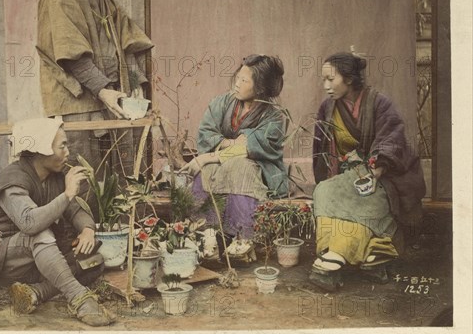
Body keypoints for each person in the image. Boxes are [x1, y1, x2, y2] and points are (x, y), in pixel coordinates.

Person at [0, 118, 116, 327]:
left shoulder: (54, 177)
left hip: (30, 258)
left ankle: (34, 293)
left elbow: (75, 210)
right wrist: (66, 195)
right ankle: (79, 299)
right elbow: (30, 223)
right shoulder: (13, 179)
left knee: (93, 259)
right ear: (41, 150)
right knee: (40, 234)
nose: (68, 151)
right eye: (62, 145)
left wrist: (87, 230)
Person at [36, 0, 154, 175]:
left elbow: (127, 42)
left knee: (120, 183)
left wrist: (136, 84)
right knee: (83, 183)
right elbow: (70, 54)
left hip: (107, 102)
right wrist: (103, 90)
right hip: (77, 106)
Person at [310, 51, 426, 291]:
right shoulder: (327, 108)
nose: (326, 86)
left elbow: (392, 139)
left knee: (361, 198)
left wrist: (374, 171)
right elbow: (321, 149)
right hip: (345, 174)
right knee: (324, 191)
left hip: (384, 175)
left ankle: (335, 257)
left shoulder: (379, 103)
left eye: (331, 79)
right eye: (324, 80)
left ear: (349, 79)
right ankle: (347, 253)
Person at [180, 54, 289, 238]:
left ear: (261, 86)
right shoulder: (222, 102)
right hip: (223, 164)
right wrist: (230, 143)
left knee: (239, 166)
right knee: (207, 171)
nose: (237, 83)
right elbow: (206, 133)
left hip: (261, 170)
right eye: (237, 77)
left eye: (244, 80)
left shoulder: (274, 117)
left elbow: (249, 148)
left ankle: (243, 235)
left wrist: (207, 157)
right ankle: (207, 234)